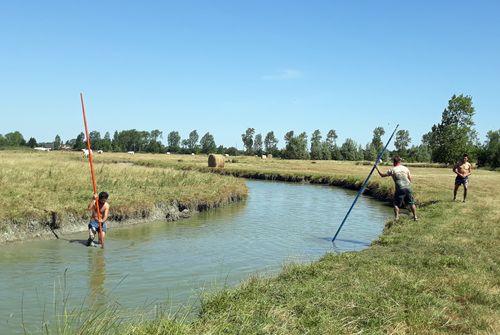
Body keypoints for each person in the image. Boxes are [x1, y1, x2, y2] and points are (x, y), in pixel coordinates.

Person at [375, 156, 418, 221]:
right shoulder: (405, 168)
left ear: (394, 162)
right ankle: (415, 217)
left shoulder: (392, 170)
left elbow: (382, 175)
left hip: (400, 188)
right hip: (408, 187)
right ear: (400, 162)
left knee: (396, 204)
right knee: (411, 203)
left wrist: (377, 168)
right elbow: (410, 179)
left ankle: (397, 218)